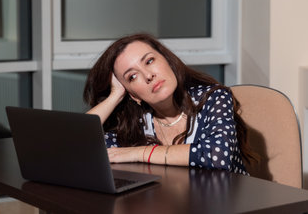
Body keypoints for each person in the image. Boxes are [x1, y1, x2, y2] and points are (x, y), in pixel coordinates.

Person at [84, 33, 256, 175]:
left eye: (149, 61)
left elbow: (217, 156)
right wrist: (115, 96)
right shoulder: (136, 125)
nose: (148, 75)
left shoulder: (214, 98)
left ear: (167, 60)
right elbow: (75, 147)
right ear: (133, 94)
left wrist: (138, 153)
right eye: (132, 77)